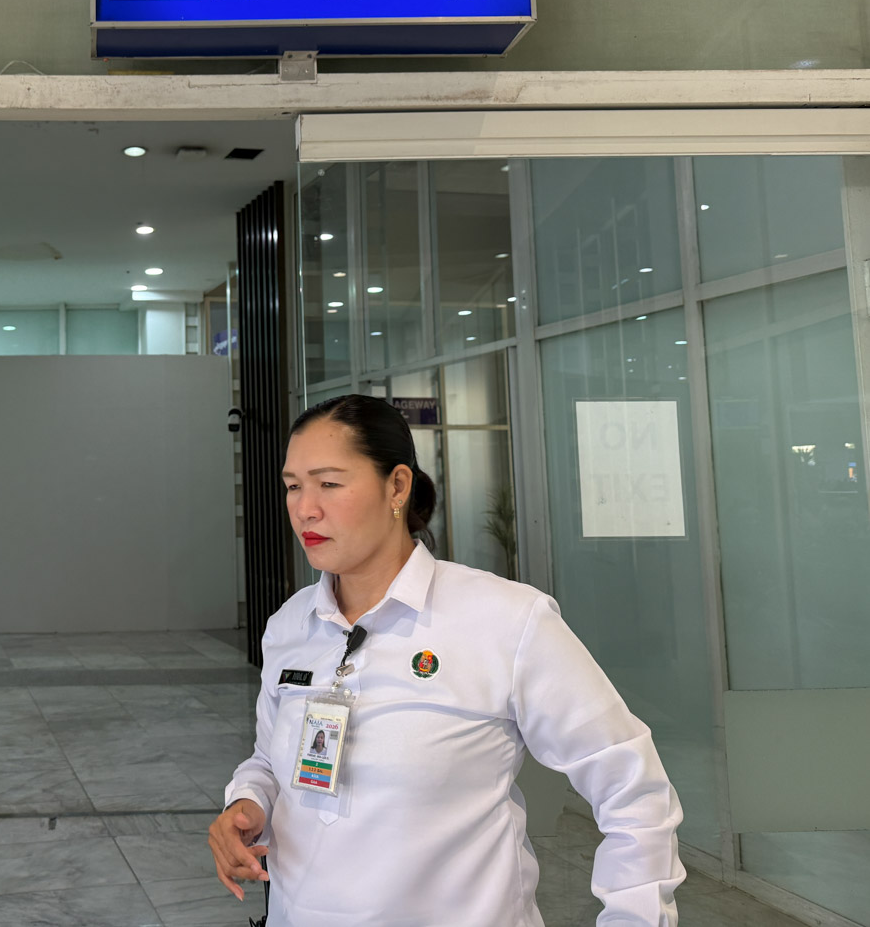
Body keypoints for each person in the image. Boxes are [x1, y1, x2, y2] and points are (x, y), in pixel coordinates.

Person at [208, 395, 685, 926]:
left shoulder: (506, 620)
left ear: (396, 486)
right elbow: (270, 760)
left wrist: (635, 917)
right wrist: (247, 803)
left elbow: (631, 785)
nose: (305, 508)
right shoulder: (290, 625)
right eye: (293, 485)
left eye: (329, 483)